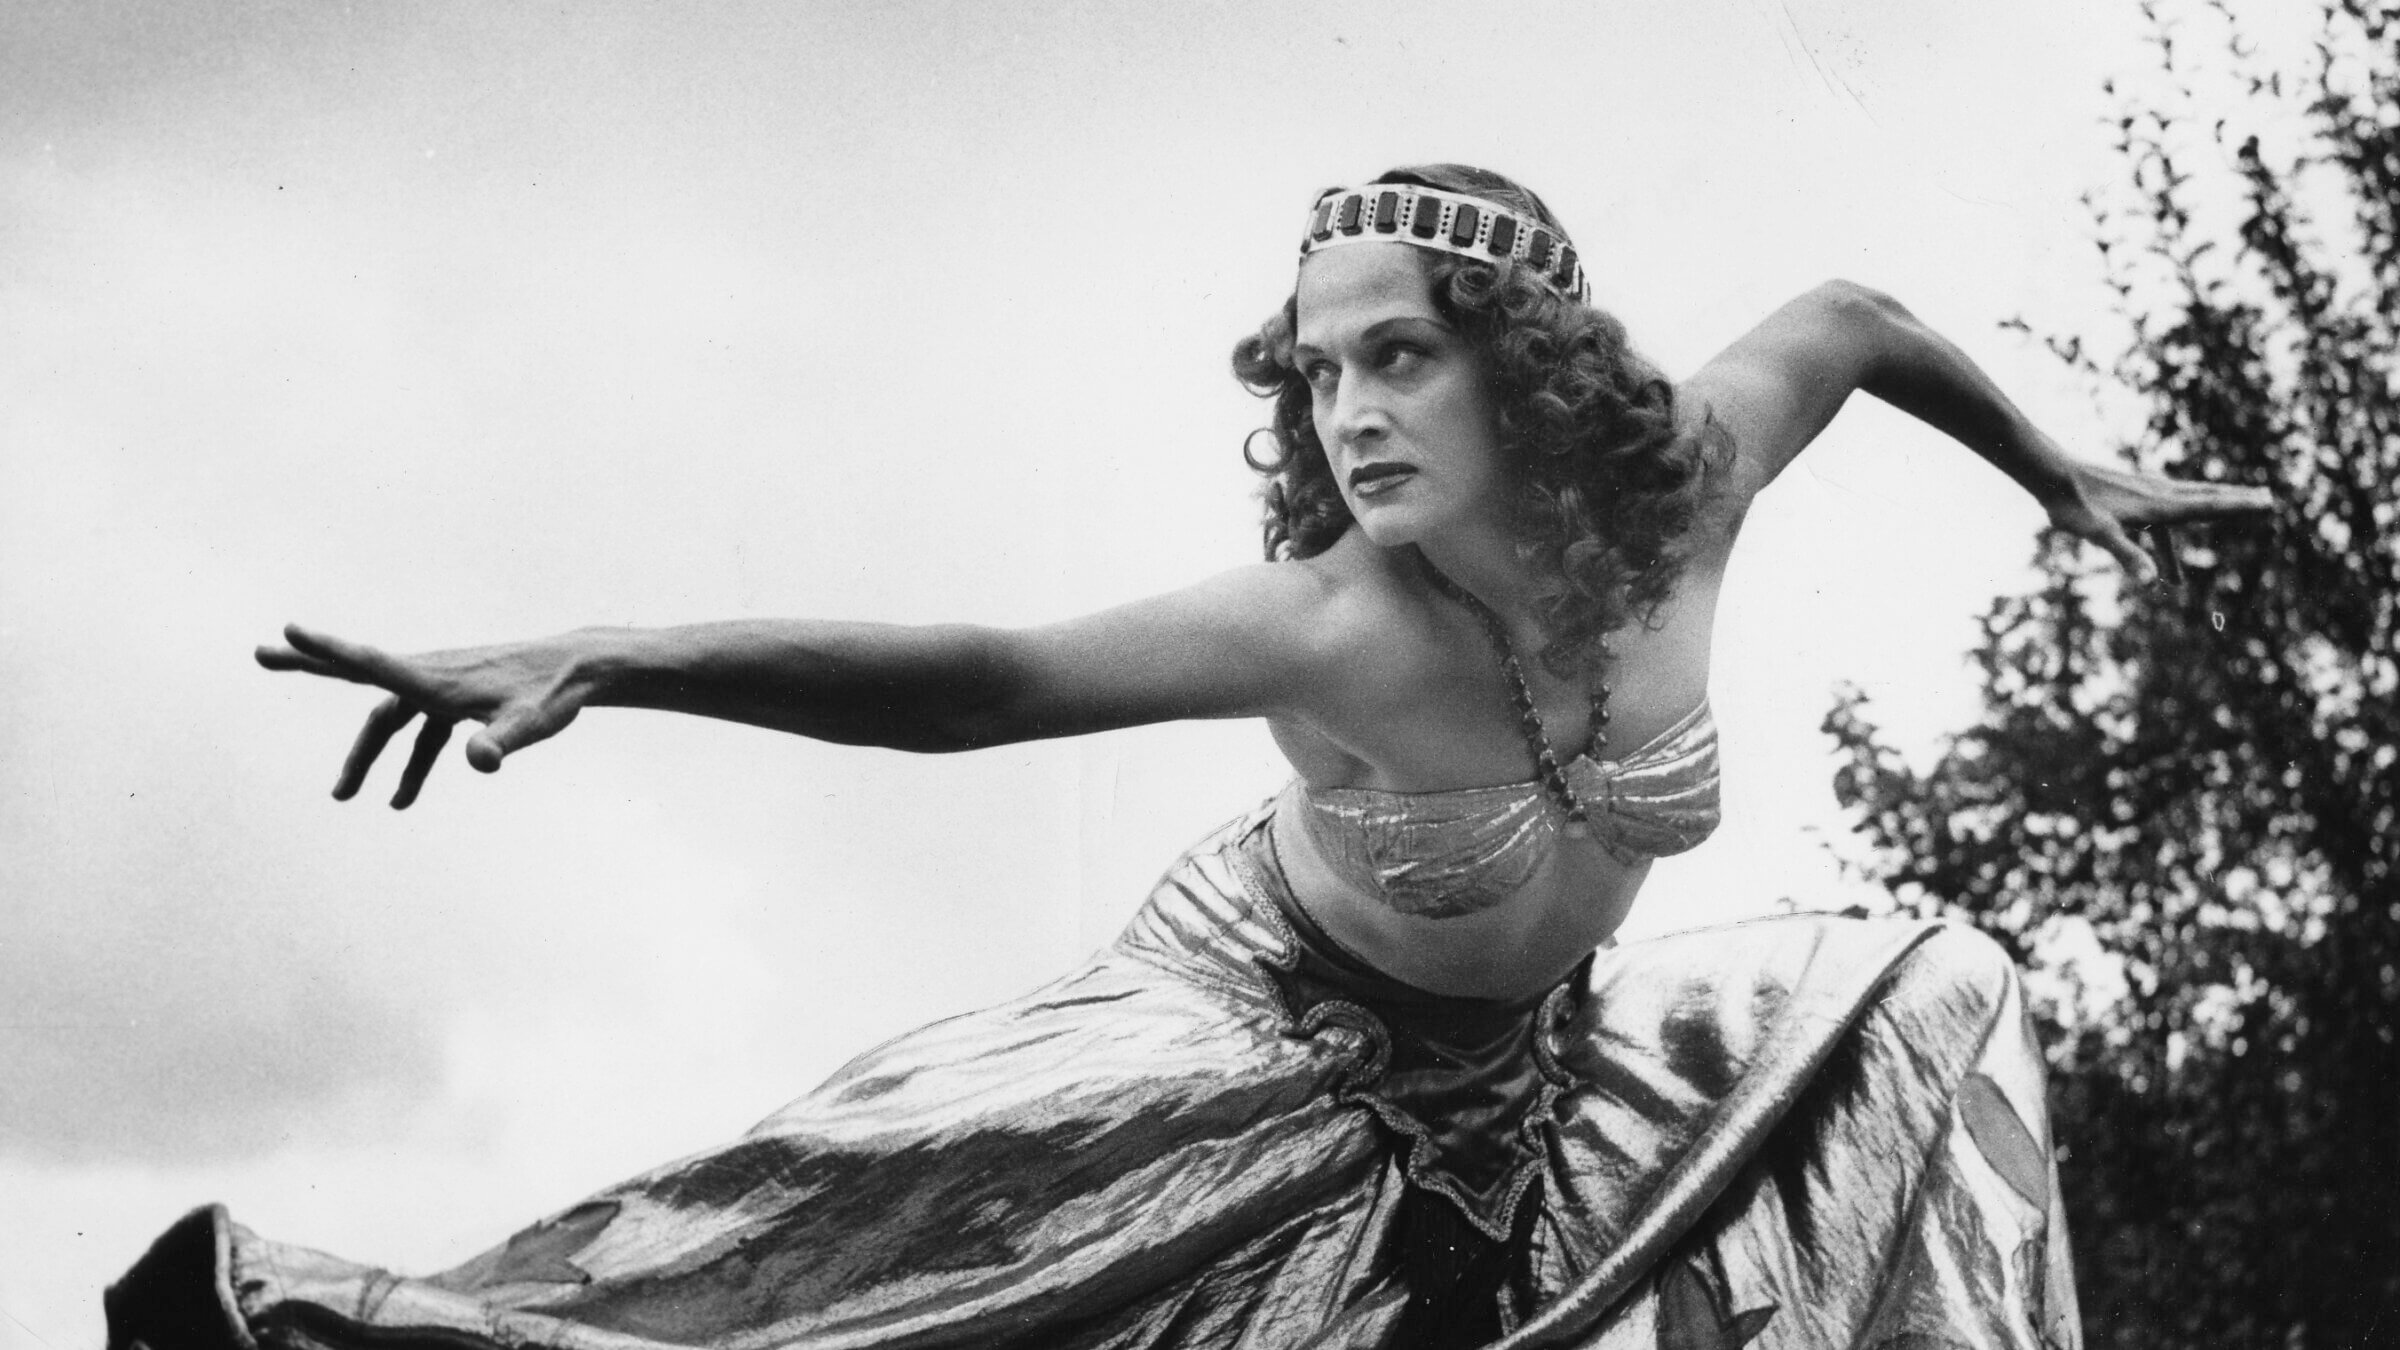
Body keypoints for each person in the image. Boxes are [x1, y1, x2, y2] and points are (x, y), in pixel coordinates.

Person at [106, 164, 2269, 1350]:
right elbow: (972, 675)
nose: (1348, 415)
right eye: (1316, 373)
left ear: (1528, 371)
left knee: (1941, 1000)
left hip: (1539, 1058)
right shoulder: (1319, 617)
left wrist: (2054, 467)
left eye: (1398, 358)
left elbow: (1864, 315)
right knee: (862, 1277)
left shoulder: (1697, 478)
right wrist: (604, 649)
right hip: (1261, 1032)